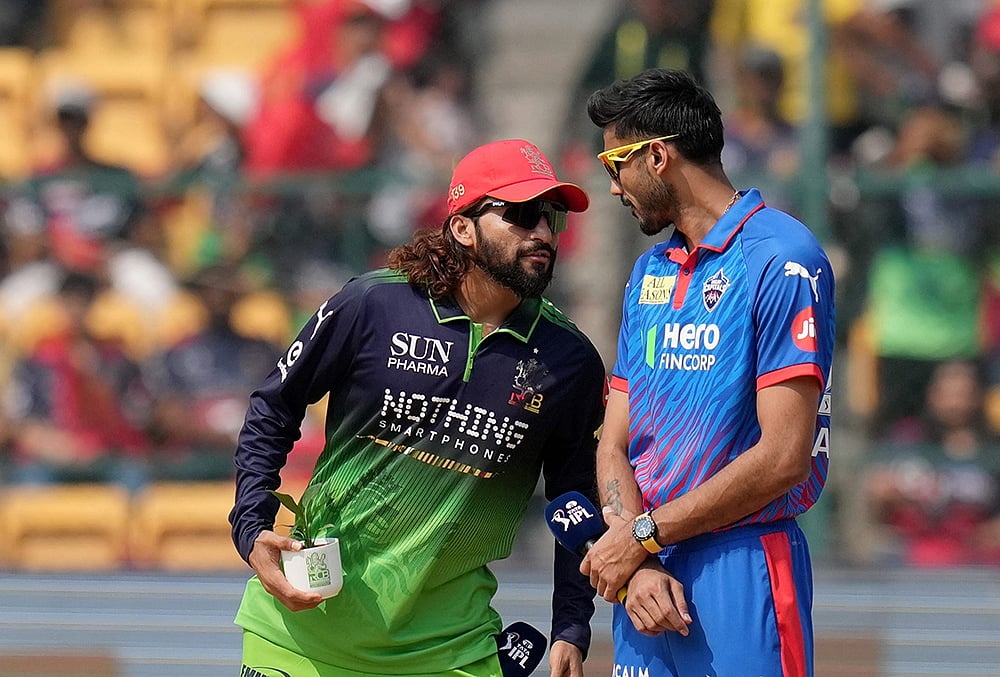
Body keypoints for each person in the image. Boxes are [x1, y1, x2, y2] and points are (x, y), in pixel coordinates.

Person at [229, 138, 608, 676]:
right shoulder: (371, 305)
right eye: (522, 215)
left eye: (550, 218)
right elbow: (274, 406)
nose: (542, 233)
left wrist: (571, 623)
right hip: (300, 634)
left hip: (450, 650)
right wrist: (251, 526)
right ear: (462, 227)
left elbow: (576, 499)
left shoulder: (569, 360)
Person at [578, 68, 835, 676]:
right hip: (647, 577)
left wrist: (641, 536)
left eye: (614, 164)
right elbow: (614, 439)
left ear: (658, 157)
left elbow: (784, 456)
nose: (612, 187)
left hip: (741, 563)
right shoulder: (649, 271)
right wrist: (636, 557)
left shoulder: (782, 258)